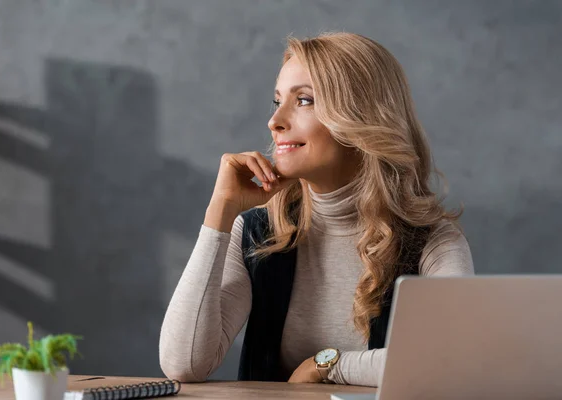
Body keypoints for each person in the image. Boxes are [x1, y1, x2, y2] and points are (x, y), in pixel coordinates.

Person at [159, 32, 474, 387]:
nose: (275, 121)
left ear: (361, 117)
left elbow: (452, 360)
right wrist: (220, 213)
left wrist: (328, 366)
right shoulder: (256, 231)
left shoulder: (433, 241)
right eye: (277, 101)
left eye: (304, 100)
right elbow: (183, 364)